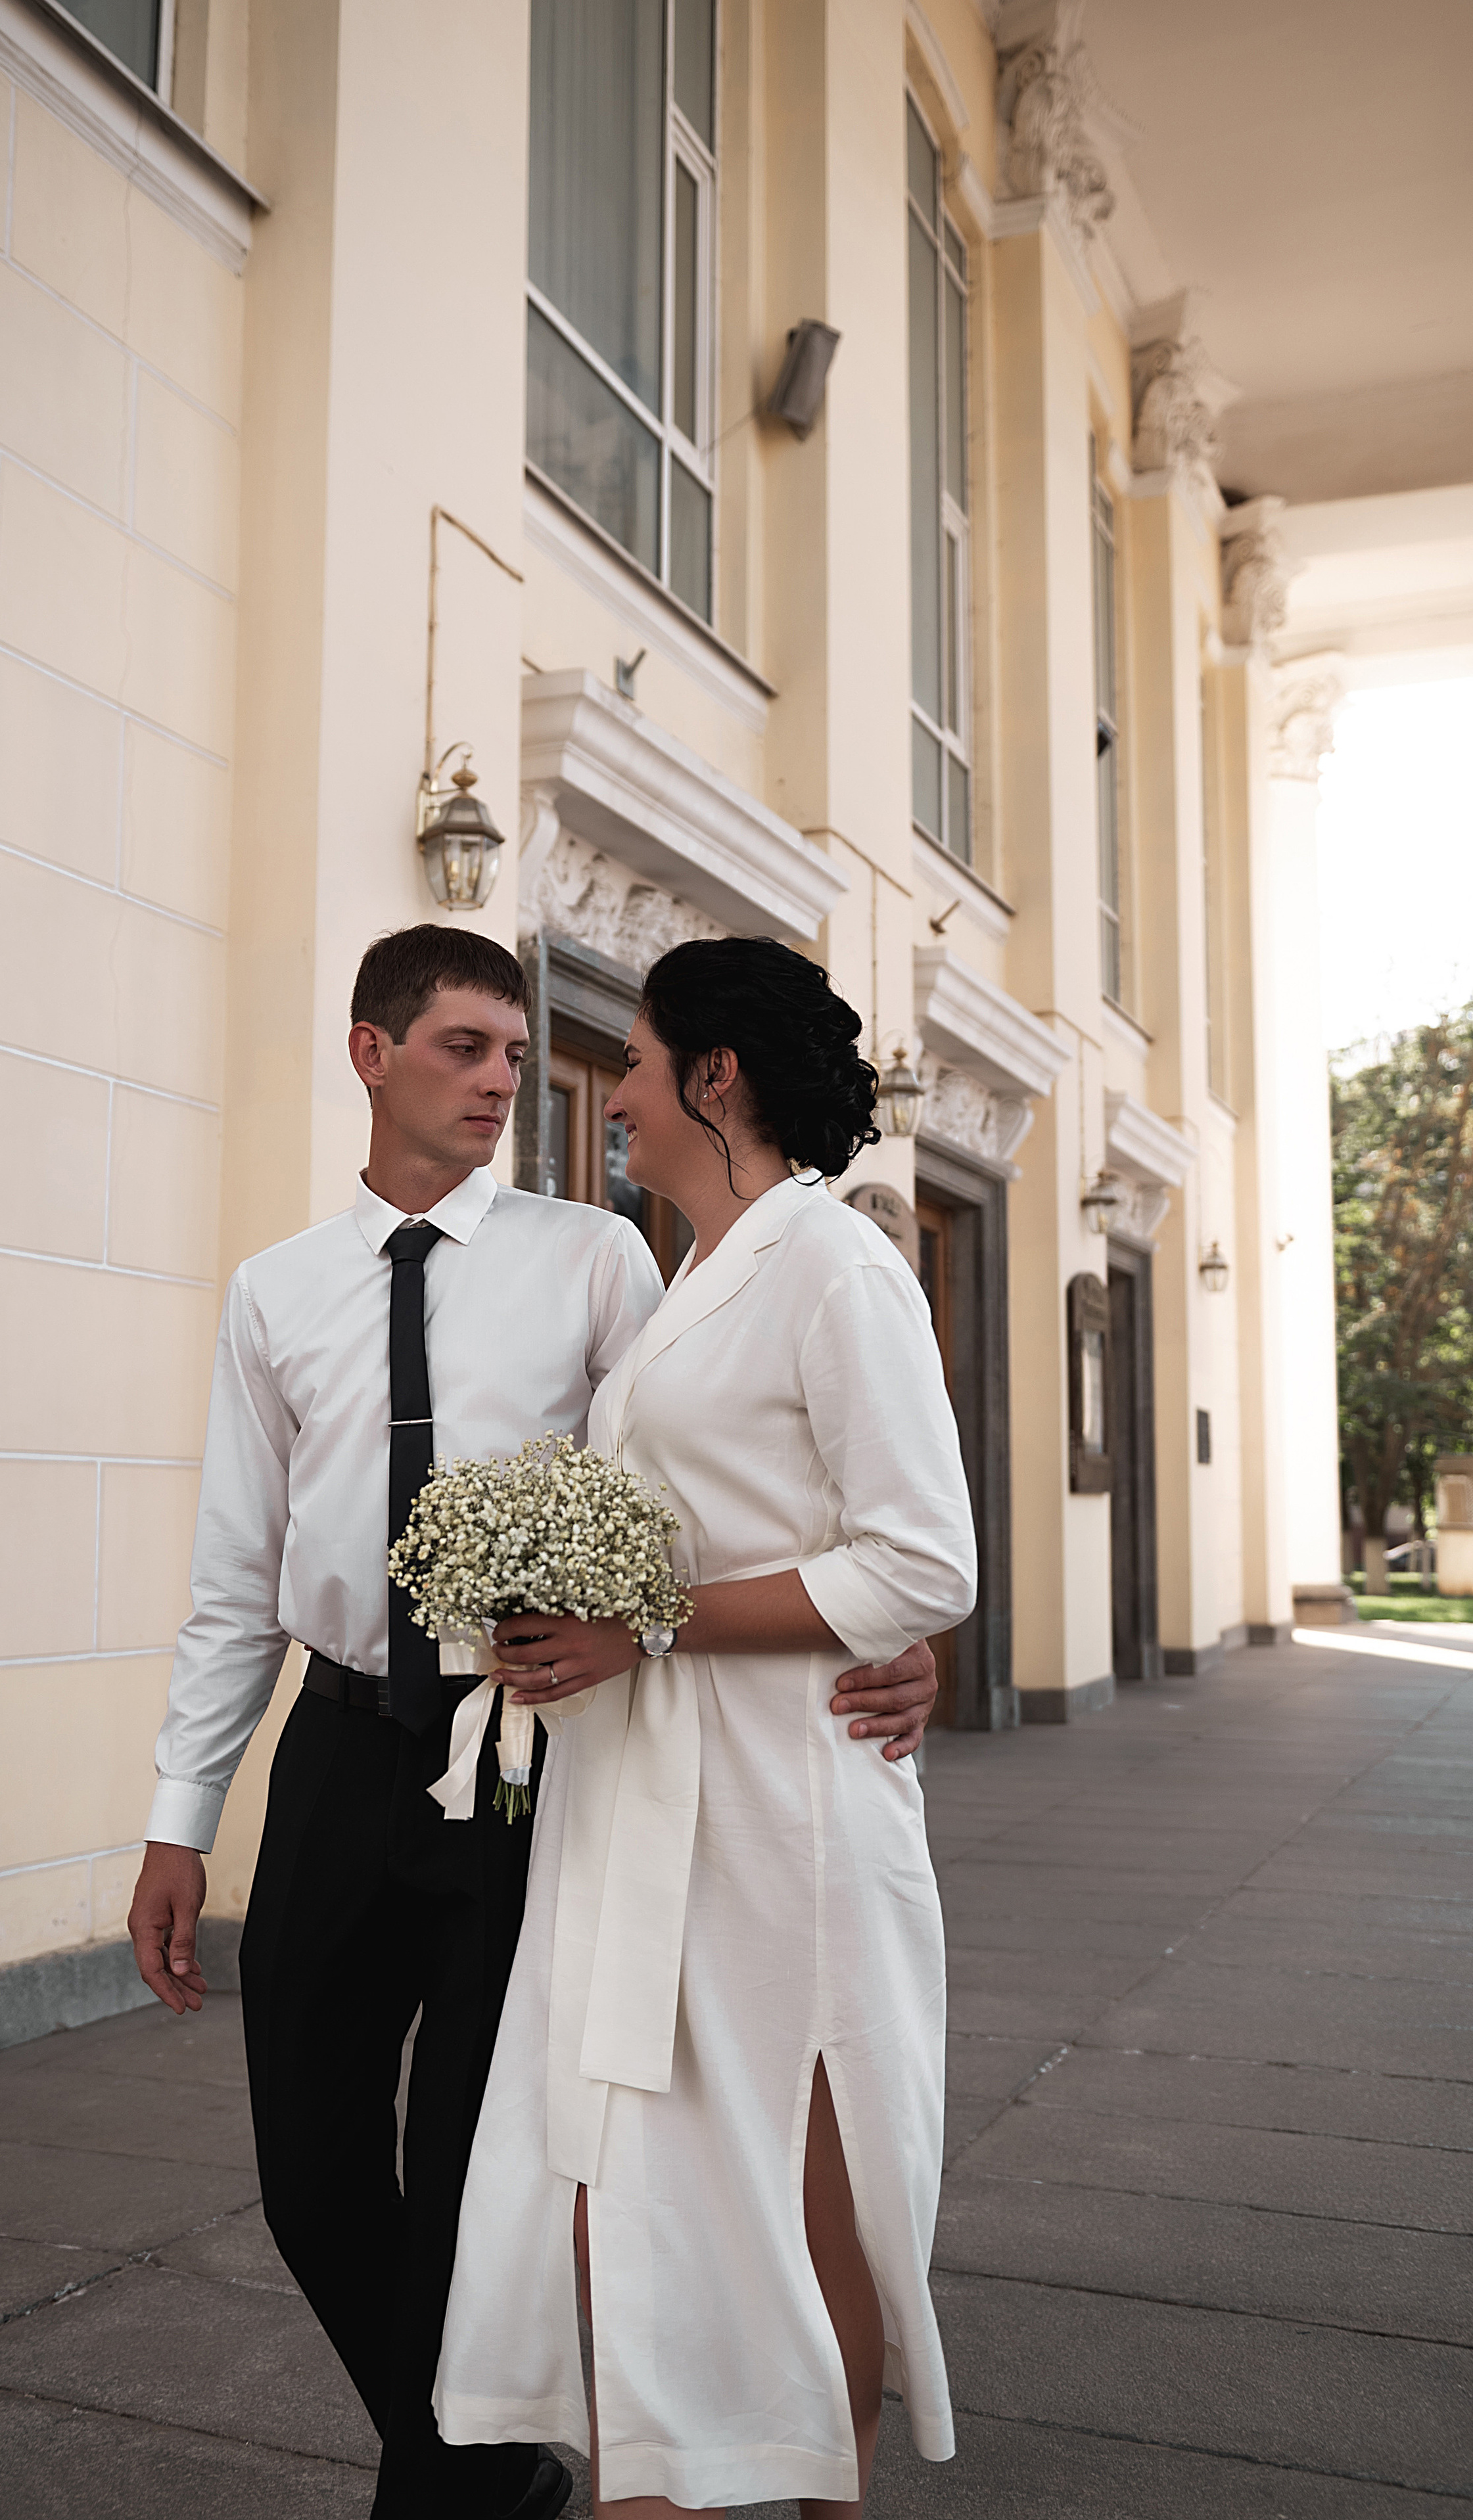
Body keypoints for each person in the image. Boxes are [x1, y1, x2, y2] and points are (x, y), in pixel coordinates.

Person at [126, 925, 945, 2520]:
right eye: (467, 1049)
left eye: (525, 1051)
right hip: (343, 1742)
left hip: (529, 1757)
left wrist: (886, 1624)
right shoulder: (273, 1293)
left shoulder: (608, 1259)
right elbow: (235, 1573)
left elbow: (699, 1501)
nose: (512, 1079)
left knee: (484, 2167)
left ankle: (453, 2480)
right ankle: (476, 2449)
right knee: (305, 2171)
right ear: (372, 1055)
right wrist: (178, 1811)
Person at [436, 936, 978, 2518]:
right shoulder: (688, 1271)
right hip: (644, 1791)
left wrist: (645, 1624)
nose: (612, 1102)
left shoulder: (833, 1260)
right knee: (628, 2179)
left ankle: (822, 2493)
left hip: (779, 1807)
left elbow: (918, 1555)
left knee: (813, 2197)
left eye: (640, 1061)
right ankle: (652, 2474)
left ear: (714, 1078)